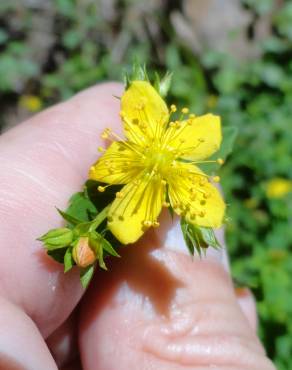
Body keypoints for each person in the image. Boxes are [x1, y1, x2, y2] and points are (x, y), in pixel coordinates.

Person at [0, 83, 276, 370]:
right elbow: (102, 173)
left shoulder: (196, 156)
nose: (159, 159)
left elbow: (213, 138)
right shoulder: (120, 170)